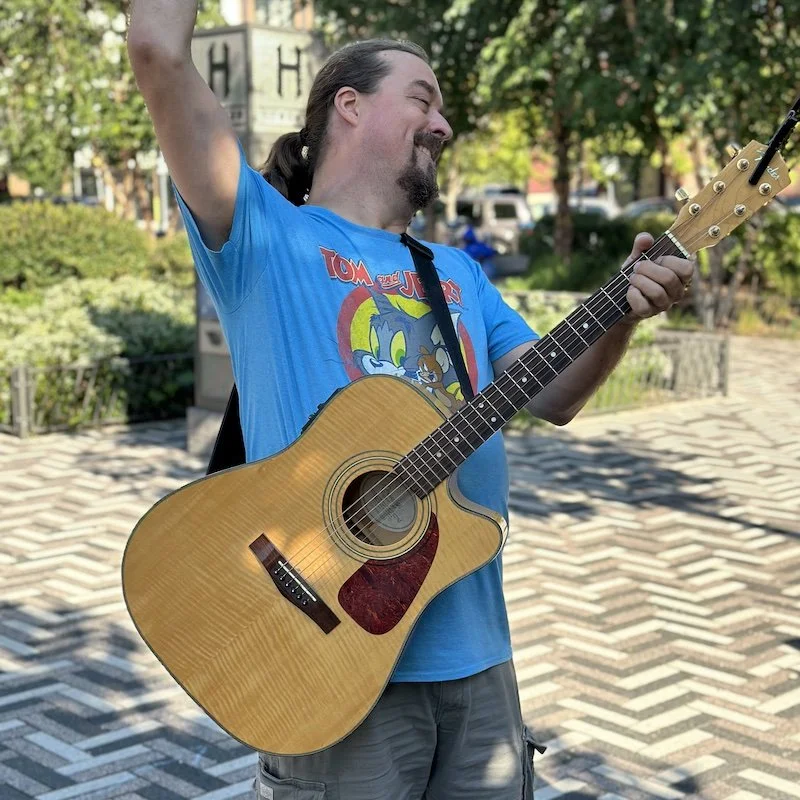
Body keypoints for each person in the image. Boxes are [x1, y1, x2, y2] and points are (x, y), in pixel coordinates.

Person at [127, 6, 694, 798]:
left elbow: (556, 393)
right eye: (423, 99)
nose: (444, 124)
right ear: (349, 105)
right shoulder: (262, 233)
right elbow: (158, 51)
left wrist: (622, 313)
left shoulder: (455, 274)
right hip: (326, 663)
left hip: (479, 660)